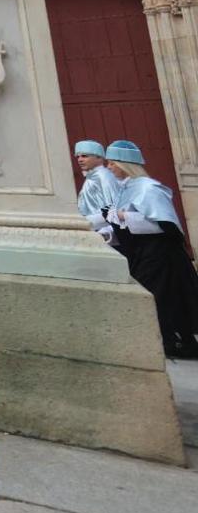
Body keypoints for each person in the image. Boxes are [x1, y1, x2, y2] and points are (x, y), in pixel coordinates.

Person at [104, 140, 198, 359]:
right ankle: (174, 341)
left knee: (159, 296)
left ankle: (175, 342)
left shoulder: (148, 187)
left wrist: (123, 216)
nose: (109, 167)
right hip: (145, 251)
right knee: (163, 297)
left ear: (125, 163)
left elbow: (163, 224)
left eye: (112, 163)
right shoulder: (127, 188)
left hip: (161, 254)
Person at [74, 140, 122, 244]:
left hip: (103, 234)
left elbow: (113, 207)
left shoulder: (104, 177)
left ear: (99, 157)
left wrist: (106, 232)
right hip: (91, 231)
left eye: (84, 156)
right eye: (78, 157)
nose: (80, 160)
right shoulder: (92, 177)